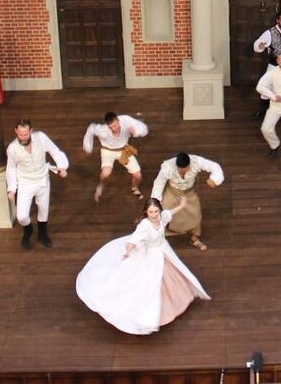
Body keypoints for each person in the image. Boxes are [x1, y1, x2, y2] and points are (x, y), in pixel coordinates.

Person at [75, 196, 209, 335]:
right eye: (151, 212)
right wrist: (127, 252)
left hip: (162, 250)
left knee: (169, 273)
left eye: (156, 212)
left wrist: (182, 205)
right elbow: (133, 240)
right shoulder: (144, 226)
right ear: (146, 212)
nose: (154, 215)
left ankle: (171, 302)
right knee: (149, 281)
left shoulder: (162, 218)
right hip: (149, 254)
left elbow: (169, 214)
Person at [6, 119, 69, 249]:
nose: (23, 137)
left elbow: (54, 151)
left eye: (26, 134)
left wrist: (62, 166)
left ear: (31, 131)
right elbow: (11, 168)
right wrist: (12, 188)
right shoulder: (12, 148)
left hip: (42, 179)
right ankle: (28, 230)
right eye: (20, 134)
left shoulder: (41, 138)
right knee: (22, 216)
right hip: (25, 183)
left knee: (43, 208)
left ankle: (42, 233)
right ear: (16, 132)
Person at [150, 152, 225, 250]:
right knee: (164, 214)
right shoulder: (167, 167)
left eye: (186, 169)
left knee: (195, 214)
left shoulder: (196, 161)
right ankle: (156, 238)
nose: (183, 173)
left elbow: (214, 166)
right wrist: (156, 201)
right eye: (181, 170)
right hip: (172, 192)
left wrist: (214, 179)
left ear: (189, 164)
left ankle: (194, 238)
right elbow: (159, 183)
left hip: (188, 193)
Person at [82, 111, 149, 202]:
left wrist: (136, 131)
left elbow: (143, 128)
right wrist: (88, 146)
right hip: (108, 151)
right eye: (111, 127)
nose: (114, 128)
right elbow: (91, 128)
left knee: (138, 175)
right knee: (106, 173)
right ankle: (101, 185)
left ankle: (135, 188)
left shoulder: (125, 120)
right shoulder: (103, 130)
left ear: (118, 120)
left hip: (123, 150)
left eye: (115, 125)